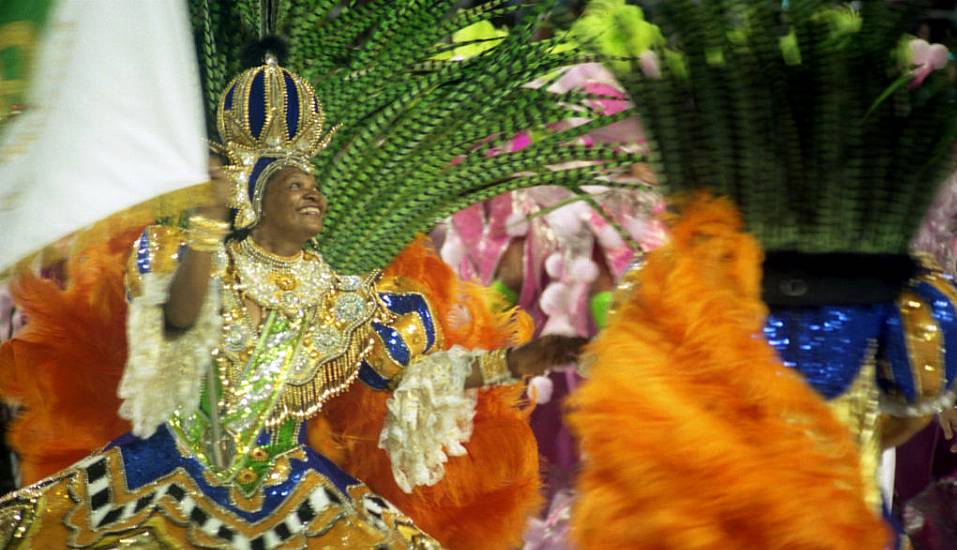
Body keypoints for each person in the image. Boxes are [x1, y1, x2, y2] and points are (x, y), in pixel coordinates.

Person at [0, 59, 584, 549]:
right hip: (159, 478)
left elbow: (421, 378)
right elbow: (177, 323)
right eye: (294, 184)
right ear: (254, 199)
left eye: (315, 183)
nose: (313, 193)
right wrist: (206, 222)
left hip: (292, 497)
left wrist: (514, 364)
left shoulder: (352, 302)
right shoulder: (180, 255)